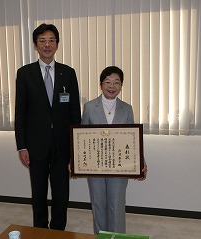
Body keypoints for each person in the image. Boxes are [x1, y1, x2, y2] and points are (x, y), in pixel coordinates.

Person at [14, 23, 81, 230]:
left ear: (57, 44)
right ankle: (40, 232)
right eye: (42, 40)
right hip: (36, 146)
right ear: (36, 45)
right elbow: (20, 113)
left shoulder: (68, 73)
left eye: (51, 40)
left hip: (62, 146)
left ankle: (58, 232)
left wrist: (75, 148)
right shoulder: (25, 73)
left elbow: (74, 113)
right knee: (39, 195)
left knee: (62, 195)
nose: (47, 44)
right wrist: (22, 146)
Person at [81, 66, 147, 234]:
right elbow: (81, 137)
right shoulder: (89, 107)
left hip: (119, 166)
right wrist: (74, 161)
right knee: (98, 205)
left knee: (116, 206)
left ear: (121, 85)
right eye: (108, 82)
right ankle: (101, 237)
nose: (112, 86)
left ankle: (117, 238)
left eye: (116, 82)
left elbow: (133, 139)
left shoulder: (127, 108)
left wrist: (141, 162)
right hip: (95, 167)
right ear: (101, 84)